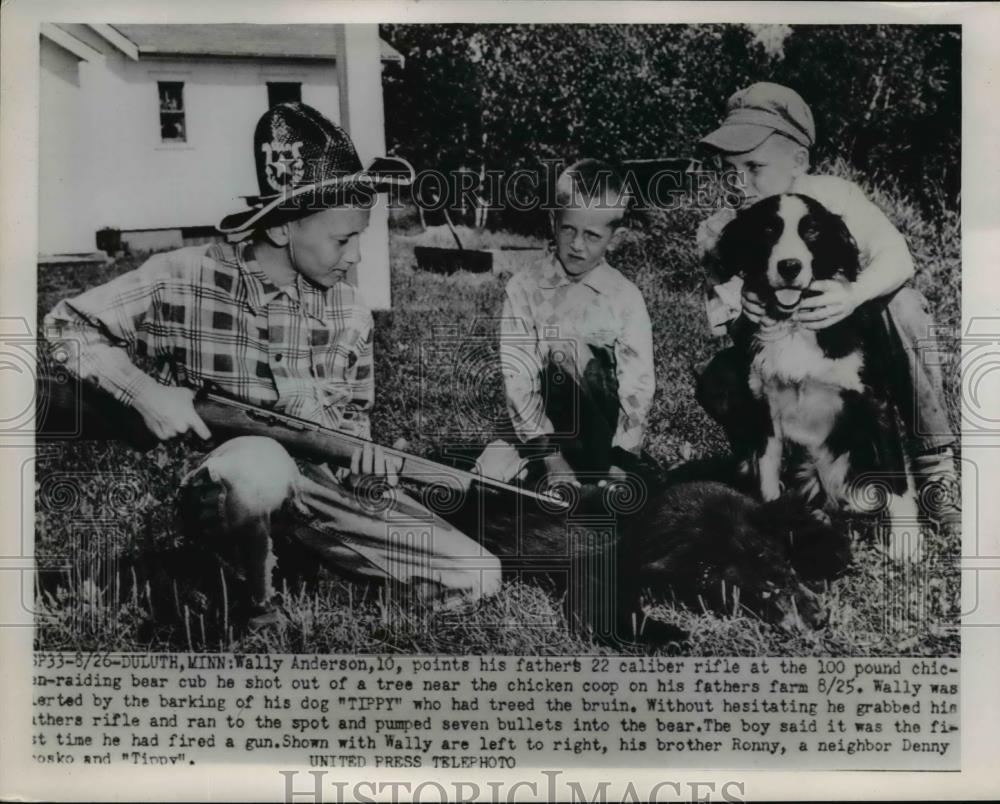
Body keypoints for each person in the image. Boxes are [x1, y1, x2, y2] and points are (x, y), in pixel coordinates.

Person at [44, 102, 501, 628]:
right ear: (284, 229)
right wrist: (146, 394)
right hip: (224, 490)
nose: (356, 257)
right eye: (344, 239)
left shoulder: (350, 311)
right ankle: (250, 601)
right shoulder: (183, 277)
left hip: (319, 495)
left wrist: (369, 470)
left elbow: (352, 424)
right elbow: (66, 326)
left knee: (477, 573)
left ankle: (310, 573)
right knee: (259, 466)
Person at [694, 82, 957, 502]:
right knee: (718, 378)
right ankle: (774, 468)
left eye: (754, 167)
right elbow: (739, 337)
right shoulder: (720, 230)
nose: (737, 182)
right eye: (728, 169)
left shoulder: (835, 198)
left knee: (903, 306)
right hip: (788, 365)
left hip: (857, 352)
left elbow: (898, 259)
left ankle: (934, 465)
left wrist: (853, 295)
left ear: (799, 161)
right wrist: (747, 308)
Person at [476, 159, 657, 490]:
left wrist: (621, 457)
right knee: (488, 479)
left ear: (614, 239)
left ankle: (607, 469)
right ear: (553, 220)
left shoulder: (625, 298)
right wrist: (550, 457)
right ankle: (547, 471)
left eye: (591, 235)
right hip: (538, 430)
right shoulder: (524, 288)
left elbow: (637, 386)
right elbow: (519, 380)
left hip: (600, 430)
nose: (576, 245)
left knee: (630, 497)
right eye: (568, 229)